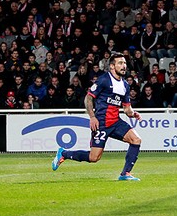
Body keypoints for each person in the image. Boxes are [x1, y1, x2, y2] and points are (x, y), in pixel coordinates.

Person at [52, 51, 143, 181]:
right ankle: (64, 154)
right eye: (120, 63)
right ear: (112, 66)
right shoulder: (104, 80)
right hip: (101, 123)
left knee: (136, 140)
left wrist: (133, 114)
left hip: (116, 122)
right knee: (94, 158)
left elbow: (127, 109)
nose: (124, 66)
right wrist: (92, 117)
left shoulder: (125, 85)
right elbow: (88, 98)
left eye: (125, 63)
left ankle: (125, 174)